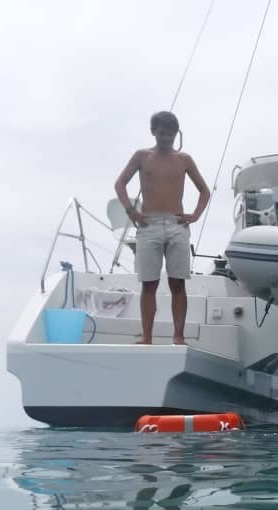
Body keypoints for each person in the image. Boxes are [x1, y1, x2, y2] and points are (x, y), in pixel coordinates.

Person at [115, 111, 210, 345]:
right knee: (149, 283)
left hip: (177, 224)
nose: (166, 137)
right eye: (161, 133)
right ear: (153, 132)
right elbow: (120, 184)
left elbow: (204, 190)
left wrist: (195, 215)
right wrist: (131, 211)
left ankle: (179, 336)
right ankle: (147, 336)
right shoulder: (141, 156)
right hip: (149, 224)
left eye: (170, 133)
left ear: (176, 133)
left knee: (178, 282)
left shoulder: (184, 159)